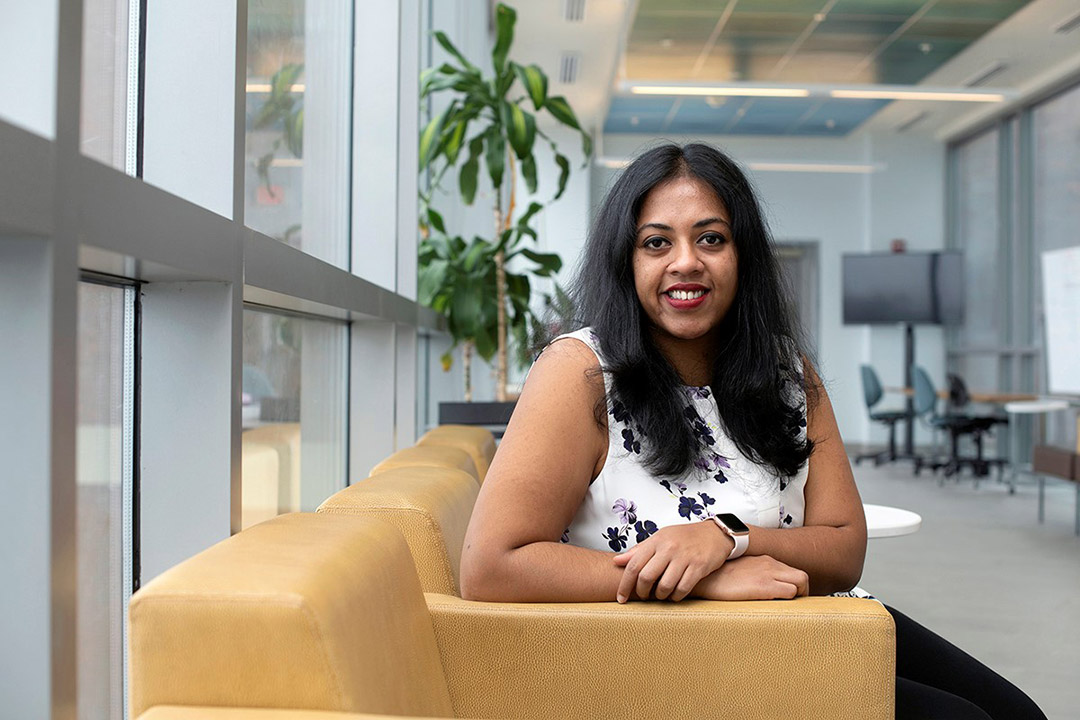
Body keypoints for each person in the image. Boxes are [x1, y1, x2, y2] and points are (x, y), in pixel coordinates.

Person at [460, 142, 1045, 720]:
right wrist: (700, 583)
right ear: (626, 260)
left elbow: (843, 549)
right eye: (656, 242)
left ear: (743, 256)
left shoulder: (785, 368)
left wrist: (727, 539)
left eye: (711, 238)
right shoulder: (581, 372)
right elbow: (491, 565)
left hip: (816, 618)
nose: (686, 261)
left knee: (1017, 713)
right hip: (690, 649)